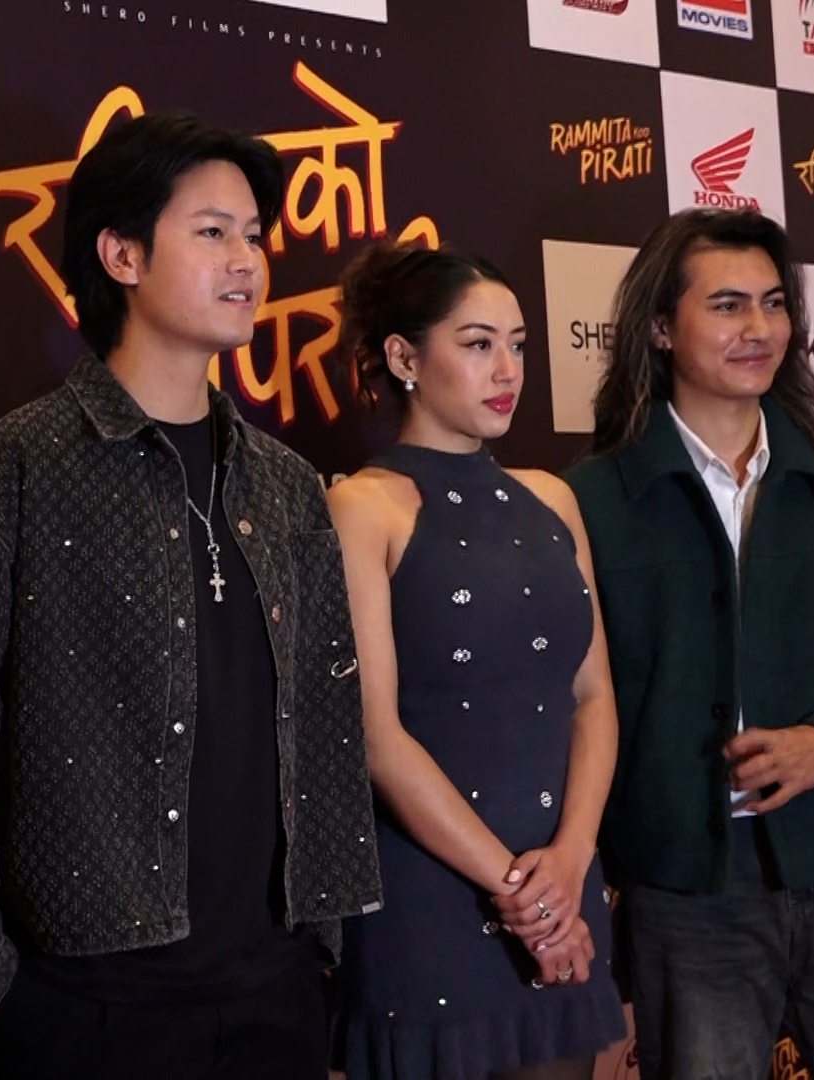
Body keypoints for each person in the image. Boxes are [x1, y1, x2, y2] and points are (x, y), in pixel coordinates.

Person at [0, 111, 382, 1080]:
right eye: (212, 232)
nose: (246, 261)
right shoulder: (9, 473)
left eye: (255, 236)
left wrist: (322, 947)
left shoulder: (288, 485)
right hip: (84, 1009)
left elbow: (328, 720)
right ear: (120, 254)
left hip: (279, 995)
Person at [563, 208, 814, 1079]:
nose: (759, 328)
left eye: (774, 302)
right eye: (727, 305)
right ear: (660, 328)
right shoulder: (592, 501)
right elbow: (568, 704)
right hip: (686, 898)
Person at [327, 241, 627, 1080]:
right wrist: (523, 893)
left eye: (519, 345)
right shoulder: (363, 507)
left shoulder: (554, 498)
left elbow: (594, 697)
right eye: (478, 343)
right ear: (403, 358)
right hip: (430, 901)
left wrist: (570, 863)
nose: (508, 370)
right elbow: (377, 738)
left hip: (564, 885)